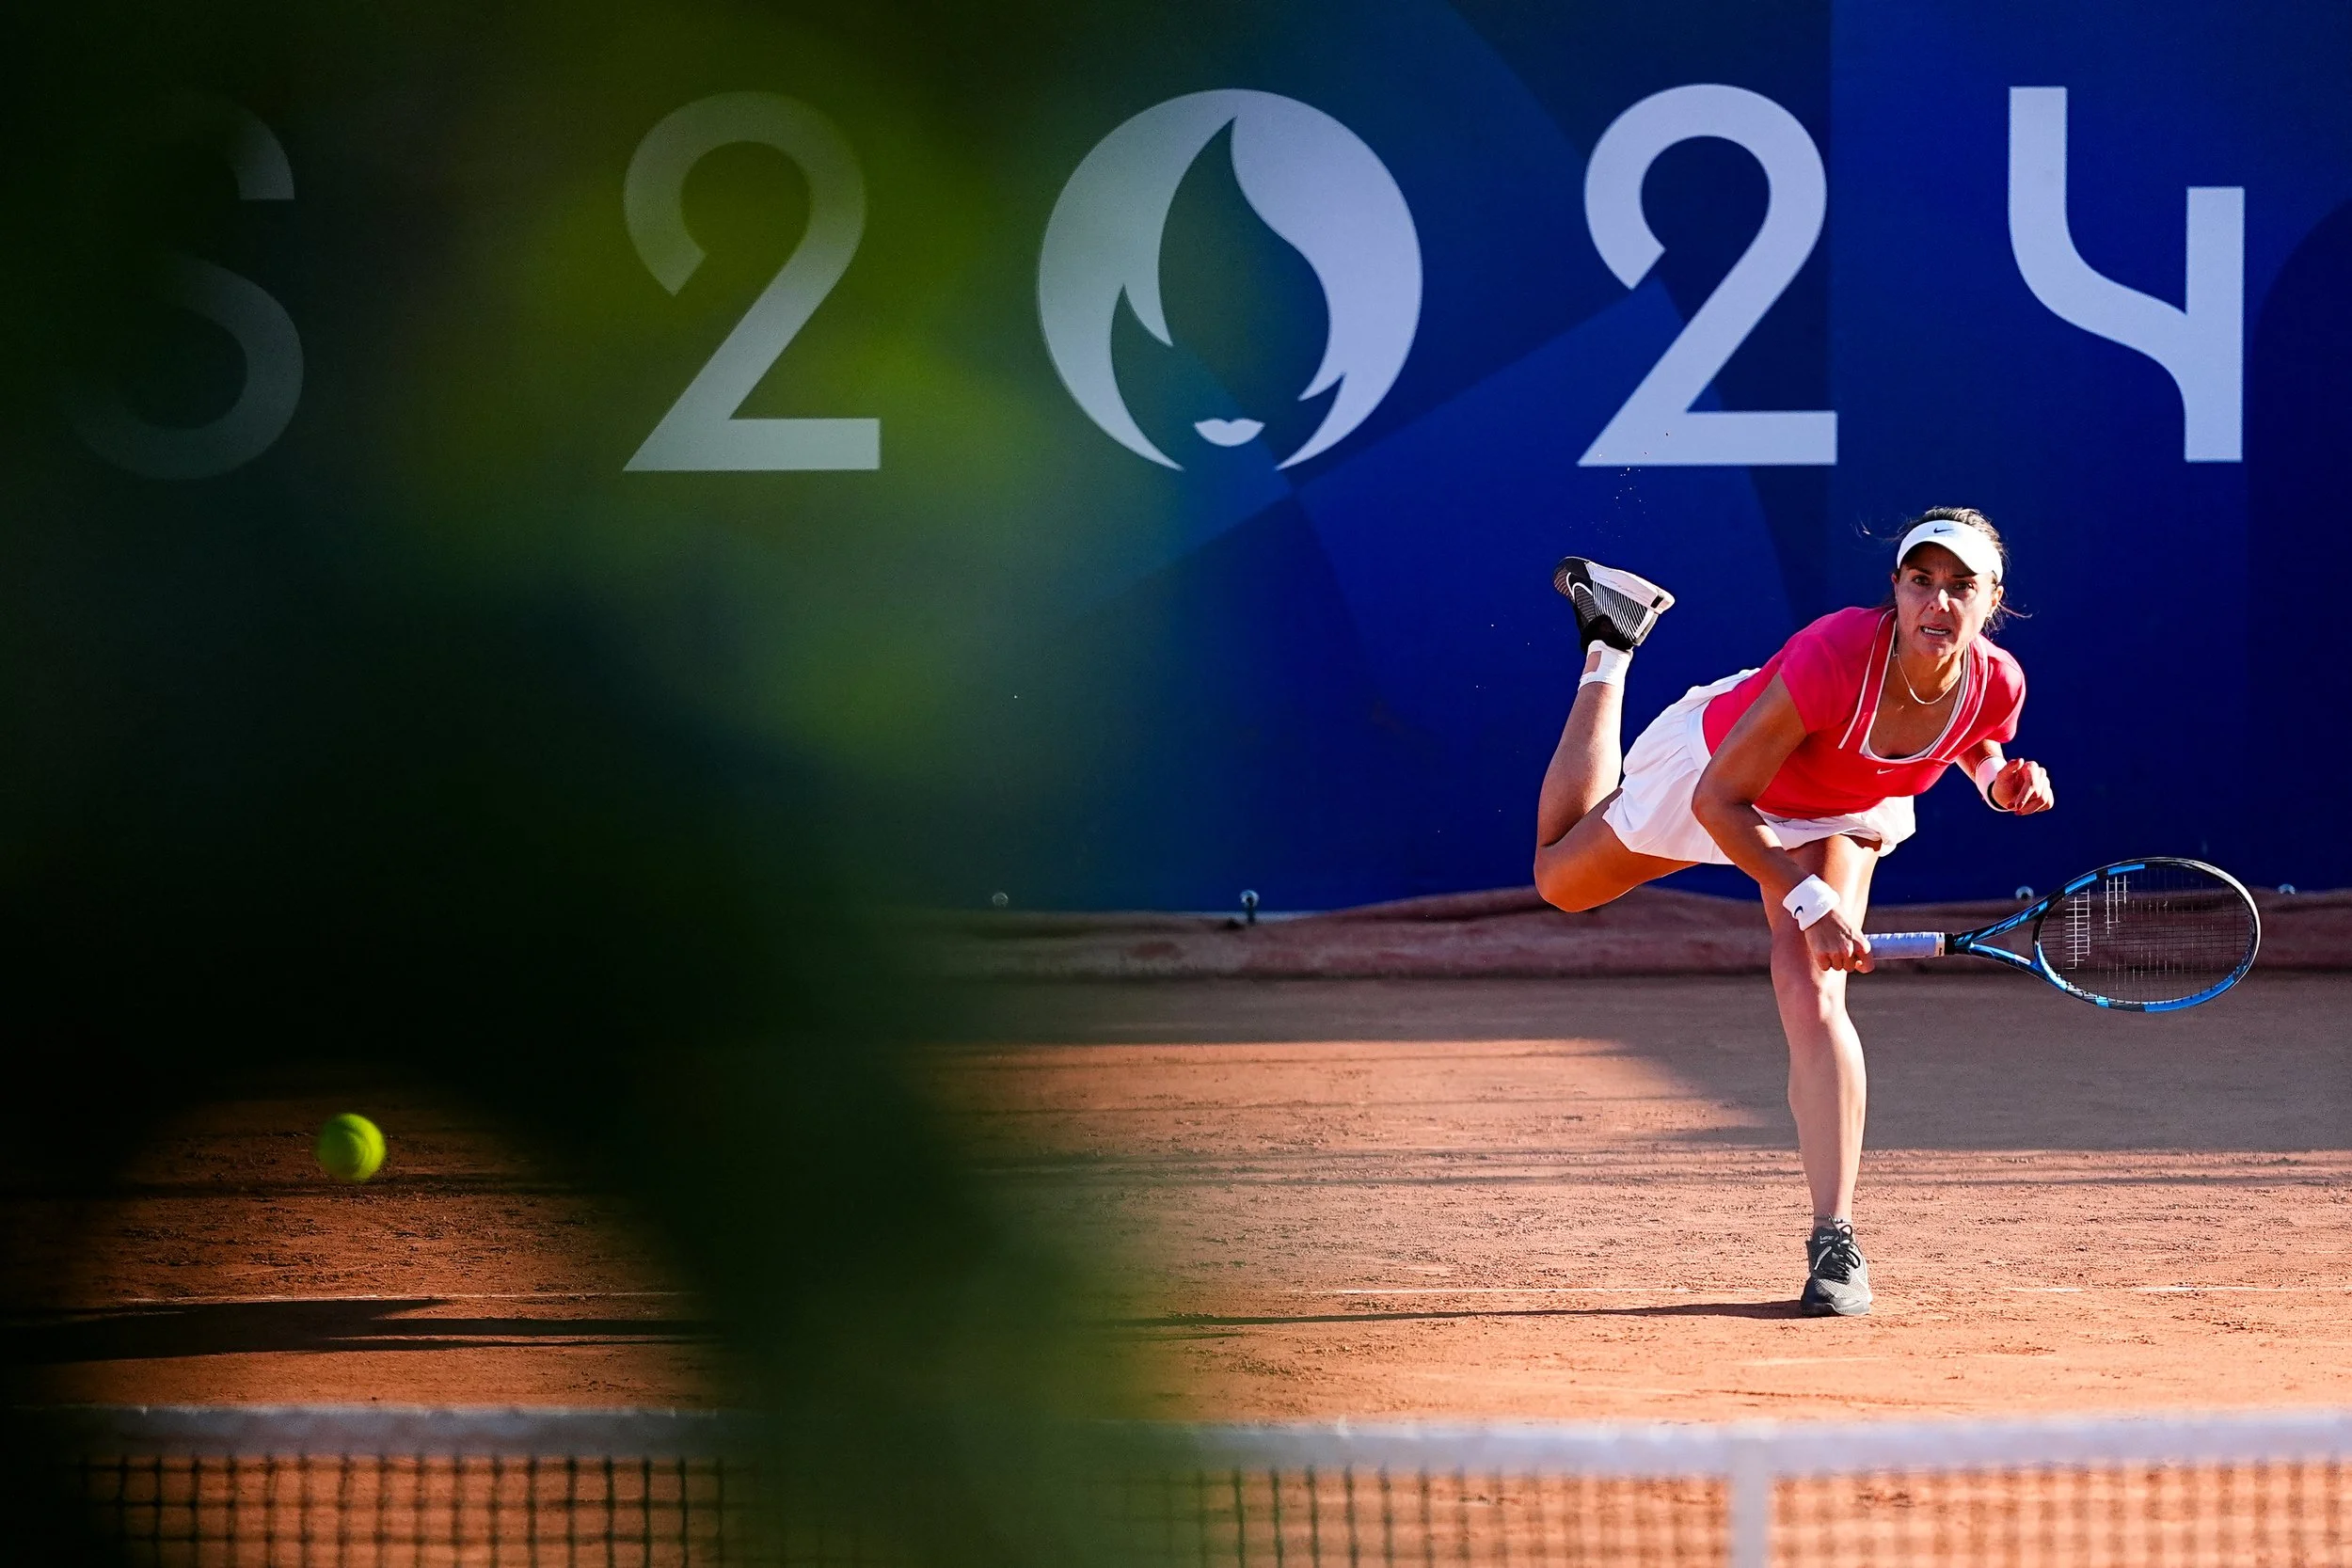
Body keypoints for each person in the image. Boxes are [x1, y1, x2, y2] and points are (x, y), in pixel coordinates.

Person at [1532, 508, 2055, 1315]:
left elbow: (1974, 738)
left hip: (1844, 807)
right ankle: (1609, 641)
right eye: (1922, 582)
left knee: (1810, 987)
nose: (1938, 604)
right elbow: (1718, 799)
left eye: (1960, 587)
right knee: (1561, 879)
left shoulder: (1999, 681)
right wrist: (1806, 897)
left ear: (1992, 601)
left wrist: (1996, 782)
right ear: (1897, 588)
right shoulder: (1834, 656)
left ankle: (1834, 1238)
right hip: (1727, 774)